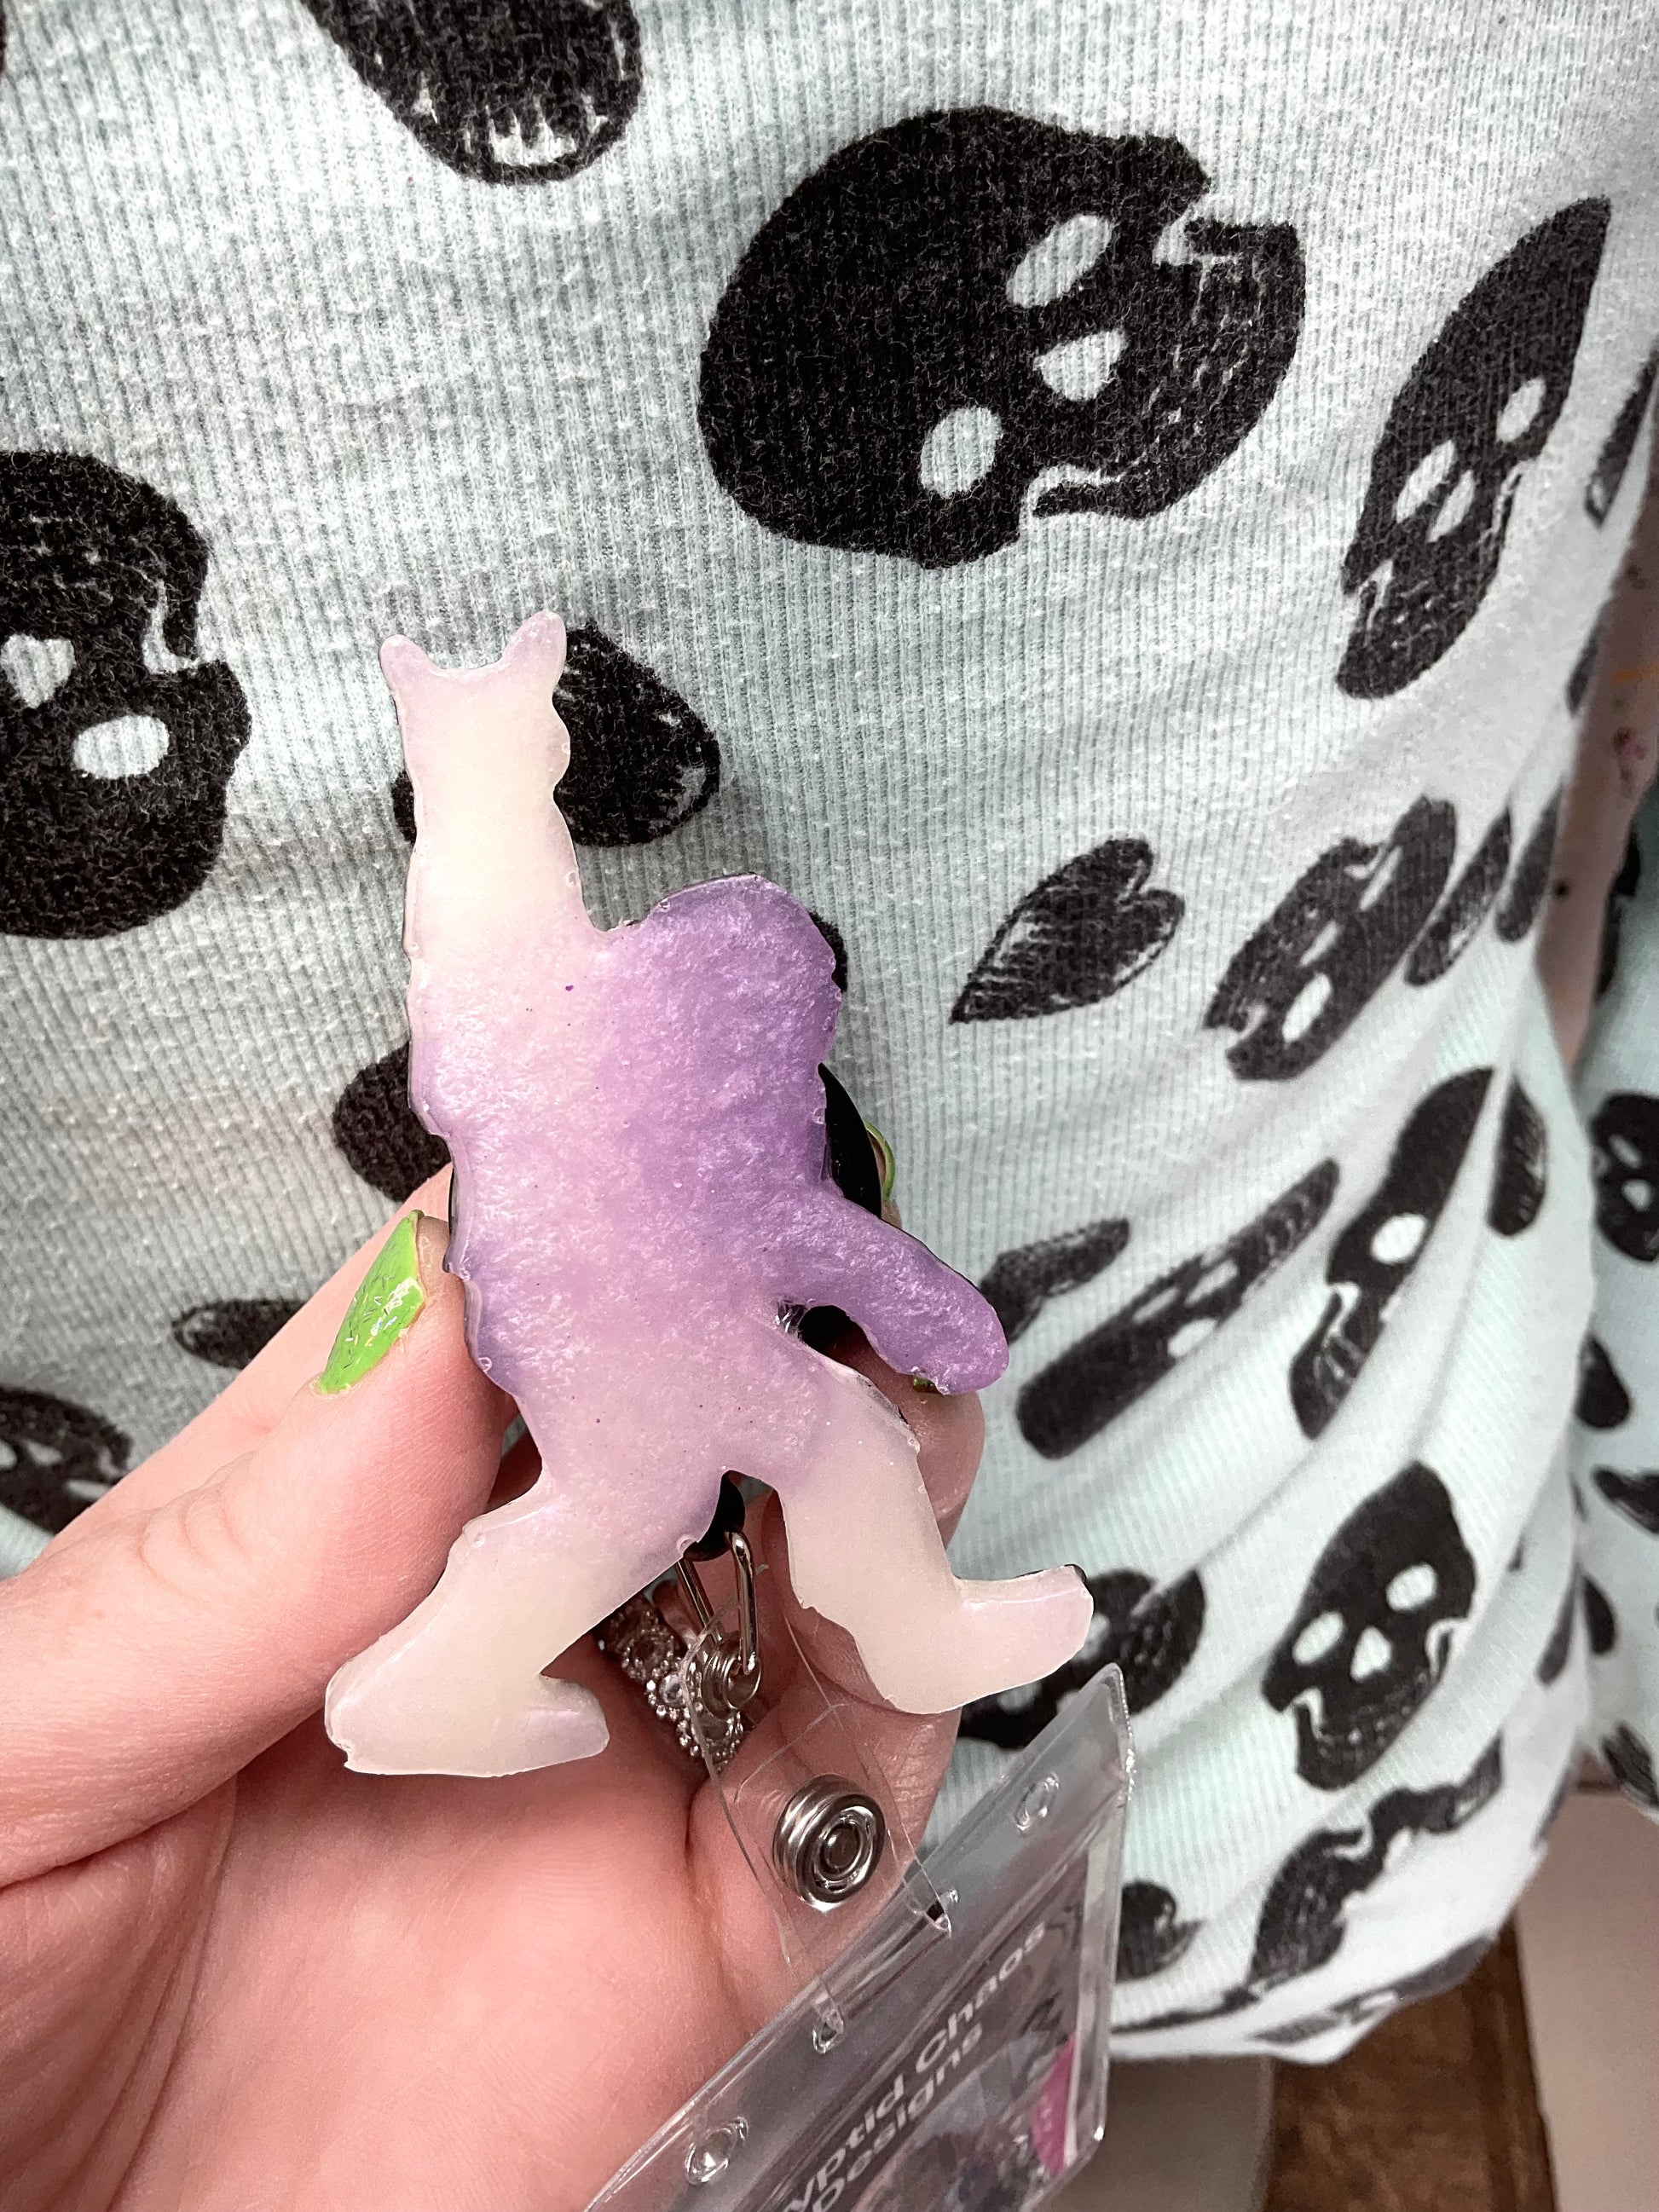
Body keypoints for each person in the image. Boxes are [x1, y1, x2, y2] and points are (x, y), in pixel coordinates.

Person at [2, 0, 1657, 2197]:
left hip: (1283, 1721)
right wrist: (493, 766)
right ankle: (512, 1671)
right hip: (268, 1812)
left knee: (777, 1485)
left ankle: (776, 1644)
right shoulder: (605, 1080)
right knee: (707, 1497)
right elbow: (652, 1097)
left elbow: (746, 1177)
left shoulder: (644, 1101)